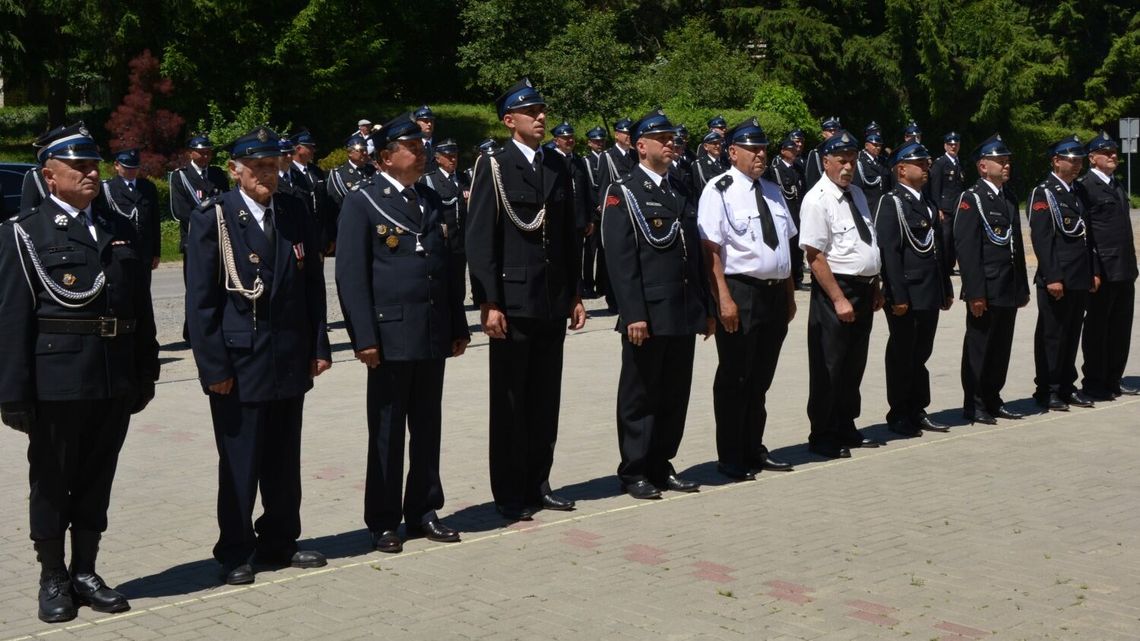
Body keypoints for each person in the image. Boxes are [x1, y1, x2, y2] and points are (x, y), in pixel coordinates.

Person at [0, 123, 159, 622]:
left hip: (113, 377)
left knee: (97, 477)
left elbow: (142, 307)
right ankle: (52, 576)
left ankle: (86, 570)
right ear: (50, 176)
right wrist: (13, 393)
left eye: (94, 165)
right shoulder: (23, 233)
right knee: (51, 479)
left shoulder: (119, 227)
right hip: (58, 380)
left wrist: (145, 370)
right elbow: (11, 318)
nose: (92, 174)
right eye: (79, 167)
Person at [185, 126, 331, 585]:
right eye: (258, 167)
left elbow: (312, 288)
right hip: (239, 361)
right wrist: (213, 368)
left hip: (287, 355)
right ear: (235, 170)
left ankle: (281, 540)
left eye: (273, 165)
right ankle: (235, 550)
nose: (267, 174)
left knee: (284, 458)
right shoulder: (216, 217)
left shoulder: (292, 210)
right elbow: (201, 301)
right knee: (240, 461)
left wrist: (318, 345)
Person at [336, 113, 470, 554]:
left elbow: (447, 267)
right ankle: (383, 519)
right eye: (412, 147)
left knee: (428, 425)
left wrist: (456, 323)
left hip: (431, 331)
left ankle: (424, 509)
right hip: (390, 336)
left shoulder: (428, 198)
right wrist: (364, 338)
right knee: (388, 430)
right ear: (387, 157)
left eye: (422, 145)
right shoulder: (362, 202)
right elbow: (351, 276)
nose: (423, 152)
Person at [465, 78, 586, 521]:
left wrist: (574, 293)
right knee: (511, 401)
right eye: (530, 111)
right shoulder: (493, 165)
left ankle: (539, 482)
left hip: (552, 299)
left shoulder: (558, 163)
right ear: (508, 120)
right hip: (512, 303)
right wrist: (489, 300)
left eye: (543, 110)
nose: (541, 117)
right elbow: (480, 237)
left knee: (544, 398)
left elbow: (569, 236)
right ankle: (509, 492)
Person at [600, 109, 713, 500]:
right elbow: (620, 259)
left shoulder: (679, 189)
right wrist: (633, 313)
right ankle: (634, 470)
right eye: (661, 138)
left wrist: (705, 308)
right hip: (647, 312)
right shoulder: (623, 191)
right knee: (640, 393)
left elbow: (693, 257)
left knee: (674, 393)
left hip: (681, 309)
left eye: (672, 138)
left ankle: (662, 463)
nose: (670, 143)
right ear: (640, 145)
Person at [698, 118, 798, 481]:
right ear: (732, 151)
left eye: (763, 149)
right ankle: (731, 455)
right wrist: (723, 299)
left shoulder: (772, 190)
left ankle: (754, 446)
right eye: (752, 149)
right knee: (735, 377)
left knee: (760, 379)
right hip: (741, 292)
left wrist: (788, 296)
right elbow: (710, 249)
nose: (760, 155)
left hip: (773, 294)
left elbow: (784, 248)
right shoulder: (718, 190)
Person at [798, 130, 886, 459]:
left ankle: (846, 424)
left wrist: (874, 286)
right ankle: (822, 433)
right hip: (836, 290)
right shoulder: (817, 199)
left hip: (863, 289)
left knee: (854, 364)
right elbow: (815, 256)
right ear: (826, 162)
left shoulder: (858, 195)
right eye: (841, 161)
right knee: (829, 366)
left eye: (852, 160)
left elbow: (867, 243)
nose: (848, 167)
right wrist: (838, 298)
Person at [873, 141, 954, 437]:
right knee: (902, 353)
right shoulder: (892, 202)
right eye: (919, 164)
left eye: (926, 163)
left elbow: (937, 252)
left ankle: (918, 408)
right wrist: (898, 295)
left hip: (929, 290)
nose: (925, 168)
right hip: (906, 291)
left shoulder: (928, 203)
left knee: (921, 353)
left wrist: (945, 287)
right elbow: (889, 252)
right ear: (901, 169)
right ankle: (898, 412)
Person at [953, 134, 1029, 424]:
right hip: (985, 287)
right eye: (1000, 160)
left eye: (1007, 160)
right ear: (983, 167)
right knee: (980, 346)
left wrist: (1021, 287)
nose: (1006, 165)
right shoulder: (971, 199)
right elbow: (968, 249)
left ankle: (993, 397)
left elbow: (1017, 248)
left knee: (1001, 348)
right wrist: (974, 292)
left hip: (1007, 286)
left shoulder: (1008, 198)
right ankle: (974, 403)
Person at [1028, 136, 1099, 411]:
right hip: (1057, 278)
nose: (1078, 164)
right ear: (1056, 161)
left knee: (1071, 334)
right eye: (1073, 159)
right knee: (1052, 335)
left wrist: (1092, 272)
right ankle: (1048, 389)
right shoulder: (1044, 193)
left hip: (1079, 276)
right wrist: (1053, 276)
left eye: (1080, 160)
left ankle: (1068, 386)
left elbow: (1087, 236)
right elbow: (1043, 240)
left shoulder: (1078, 191)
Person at [1079, 132, 1138, 399]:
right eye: (1106, 152)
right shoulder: (1086, 187)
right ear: (1092, 158)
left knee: (1120, 328)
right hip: (1103, 269)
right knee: (1098, 329)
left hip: (1124, 268)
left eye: (1114, 151)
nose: (1113, 155)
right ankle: (1094, 381)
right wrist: (1093, 270)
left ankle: (1114, 379)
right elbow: (1087, 234)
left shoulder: (1116, 185)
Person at [420, 138, 469, 304]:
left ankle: (459, 324)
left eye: (455, 156)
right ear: (438, 158)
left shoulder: (465, 178)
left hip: (461, 241)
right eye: (448, 156)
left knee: (459, 284)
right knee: (441, 284)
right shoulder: (429, 180)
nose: (453, 160)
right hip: (441, 241)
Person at [103, 149, 161, 288]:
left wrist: (156, 252)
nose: (131, 171)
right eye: (127, 168)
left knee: (143, 293)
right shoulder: (108, 188)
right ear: (117, 165)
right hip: (120, 252)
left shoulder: (148, 187)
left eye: (134, 168)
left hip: (144, 251)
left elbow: (154, 221)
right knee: (123, 292)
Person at [765, 133, 808, 289]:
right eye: (790, 149)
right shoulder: (776, 169)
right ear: (783, 151)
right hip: (786, 209)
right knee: (788, 245)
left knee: (798, 246)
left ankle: (798, 278)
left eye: (795, 148)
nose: (794, 151)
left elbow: (803, 188)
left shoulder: (798, 168)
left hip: (798, 209)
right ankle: (788, 278)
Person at [289, 129, 333, 253]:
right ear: (298, 149)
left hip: (318, 234)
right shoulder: (289, 172)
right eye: (310, 147)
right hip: (299, 233)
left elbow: (325, 205)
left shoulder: (316, 171)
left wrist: (328, 234)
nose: (313, 150)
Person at [927, 132, 965, 275]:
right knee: (945, 238)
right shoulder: (940, 163)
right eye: (950, 144)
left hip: (956, 207)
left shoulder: (958, 163)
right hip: (945, 208)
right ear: (945, 146)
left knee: (954, 238)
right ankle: (943, 267)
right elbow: (935, 187)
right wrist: (938, 208)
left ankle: (950, 265)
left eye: (956, 144)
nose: (953, 147)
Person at [581, 126, 607, 298]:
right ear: (590, 143)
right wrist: (595, 204)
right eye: (596, 141)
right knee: (590, 252)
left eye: (602, 141)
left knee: (604, 250)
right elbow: (586, 187)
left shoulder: (607, 158)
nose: (599, 144)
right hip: (593, 211)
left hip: (606, 210)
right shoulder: (586, 161)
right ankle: (588, 285)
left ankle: (602, 284)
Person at [804, 116, 841, 189]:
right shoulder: (816, 154)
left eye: (836, 130)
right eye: (830, 130)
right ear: (823, 134)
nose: (833, 132)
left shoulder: (843, 152)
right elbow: (811, 180)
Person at [854, 132, 888, 202]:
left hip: (883, 203)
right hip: (868, 204)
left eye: (879, 145)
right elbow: (857, 187)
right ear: (866, 146)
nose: (878, 148)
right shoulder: (860, 163)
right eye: (875, 145)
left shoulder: (883, 161)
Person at [414, 105, 437, 173]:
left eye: (431, 121)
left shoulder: (440, 143)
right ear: (416, 123)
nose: (429, 124)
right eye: (425, 121)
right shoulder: (412, 145)